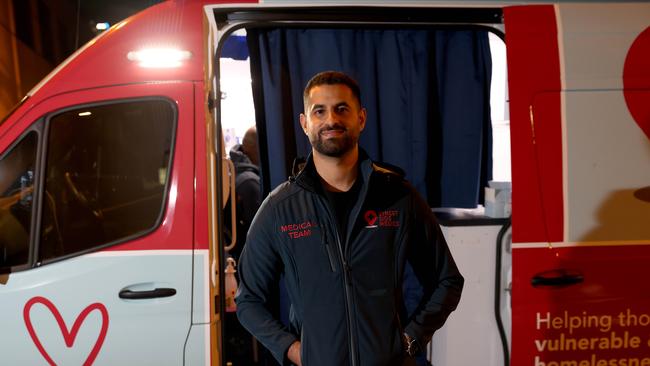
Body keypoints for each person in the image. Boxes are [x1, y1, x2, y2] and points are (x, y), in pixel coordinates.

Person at [236, 71, 464, 366]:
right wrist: (293, 349)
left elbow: (447, 281)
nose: (331, 119)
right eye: (319, 111)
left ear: (361, 119)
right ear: (305, 124)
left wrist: (409, 339)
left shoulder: (398, 197)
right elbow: (248, 301)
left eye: (342, 108)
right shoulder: (280, 209)